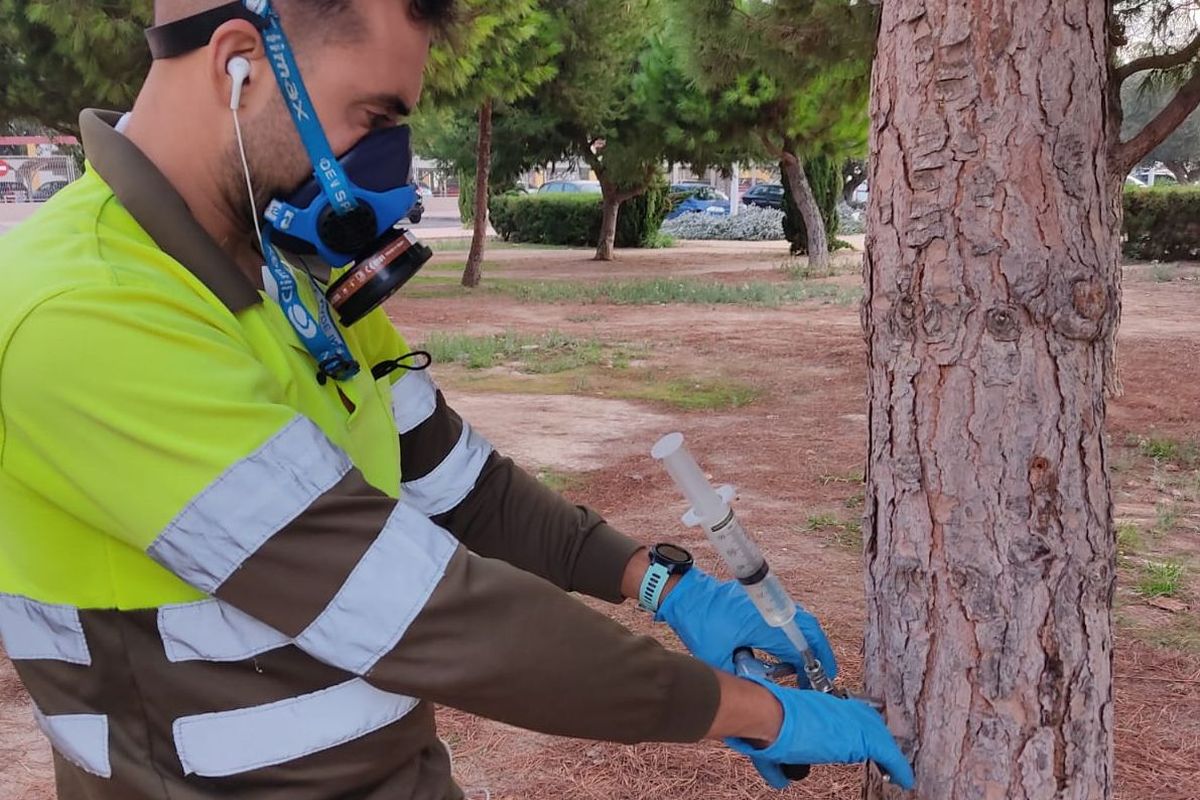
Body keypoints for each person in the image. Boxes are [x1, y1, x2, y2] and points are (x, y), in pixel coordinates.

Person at [0, 1, 915, 798]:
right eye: (372, 115)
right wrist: (753, 713)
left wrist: (668, 585)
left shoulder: (293, 283)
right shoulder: (80, 311)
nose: (392, 165)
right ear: (238, 62)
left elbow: (465, 489)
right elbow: (424, 614)